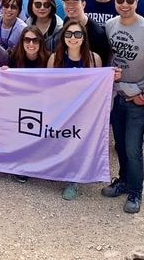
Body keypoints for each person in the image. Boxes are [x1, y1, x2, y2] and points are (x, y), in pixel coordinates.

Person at [102, 0, 144, 214]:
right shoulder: (110, 25)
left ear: (137, 2)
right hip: (117, 93)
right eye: (120, 0)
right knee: (119, 144)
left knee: (133, 148)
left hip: (136, 96)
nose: (125, 4)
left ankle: (135, 192)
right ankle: (123, 180)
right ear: (115, 2)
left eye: (130, 0)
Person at [47, 19, 102, 201]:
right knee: (60, 142)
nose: (73, 38)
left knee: (77, 143)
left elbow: (99, 88)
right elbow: (49, 86)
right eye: (69, 34)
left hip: (84, 110)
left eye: (78, 34)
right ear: (63, 37)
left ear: (84, 37)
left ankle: (73, 179)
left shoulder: (94, 59)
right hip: (62, 108)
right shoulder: (55, 58)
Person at [61, 0, 110, 66]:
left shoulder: (97, 33)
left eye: (74, 3)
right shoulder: (67, 20)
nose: (70, 6)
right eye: (67, 3)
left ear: (83, 4)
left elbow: (102, 63)